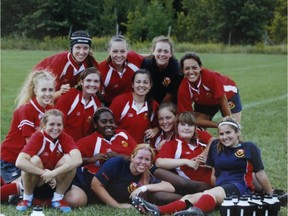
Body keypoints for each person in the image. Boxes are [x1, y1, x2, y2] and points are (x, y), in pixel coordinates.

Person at [132, 117, 273, 215]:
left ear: (237, 132)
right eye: (221, 134)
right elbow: (214, 174)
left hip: (240, 188)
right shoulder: (216, 147)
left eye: (228, 133)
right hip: (221, 188)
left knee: (209, 194)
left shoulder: (249, 147)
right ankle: (158, 211)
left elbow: (260, 174)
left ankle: (194, 213)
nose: (224, 137)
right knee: (191, 197)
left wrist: (270, 194)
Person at [0, 70, 55, 202]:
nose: (47, 94)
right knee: (26, 188)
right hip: (13, 160)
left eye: (51, 90)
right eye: (43, 90)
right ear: (35, 90)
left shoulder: (49, 110)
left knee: (37, 186)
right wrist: (48, 172)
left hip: (31, 158)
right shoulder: (26, 110)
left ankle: (8, 182)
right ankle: (10, 183)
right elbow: (31, 146)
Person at [15, 109, 82, 213]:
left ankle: (57, 199)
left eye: (59, 125)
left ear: (63, 126)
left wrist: (53, 173)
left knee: (68, 160)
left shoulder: (65, 137)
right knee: (34, 160)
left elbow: (78, 159)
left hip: (55, 183)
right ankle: (27, 198)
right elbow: (19, 162)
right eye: (51, 124)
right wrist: (44, 173)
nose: (55, 128)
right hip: (38, 182)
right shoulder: (38, 137)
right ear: (44, 125)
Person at [91, 144, 177, 208]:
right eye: (140, 158)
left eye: (147, 159)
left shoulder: (145, 175)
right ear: (132, 157)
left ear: (150, 163)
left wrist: (144, 188)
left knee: (161, 196)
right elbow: (95, 185)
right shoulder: (117, 163)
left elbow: (170, 187)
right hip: (90, 194)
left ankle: (186, 201)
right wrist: (117, 205)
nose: (143, 162)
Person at [177, 52, 242, 128]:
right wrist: (218, 125)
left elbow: (222, 98)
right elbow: (189, 118)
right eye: (187, 68)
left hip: (228, 95)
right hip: (205, 101)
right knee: (197, 128)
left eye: (194, 67)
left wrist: (229, 122)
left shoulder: (210, 77)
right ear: (182, 70)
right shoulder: (183, 89)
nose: (191, 72)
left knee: (233, 128)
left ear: (201, 67)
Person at [155, 112, 214, 190]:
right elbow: (159, 162)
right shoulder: (172, 144)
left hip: (215, 180)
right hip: (194, 186)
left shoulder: (202, 145)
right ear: (177, 127)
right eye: (183, 124)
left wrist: (209, 161)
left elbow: (214, 141)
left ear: (195, 128)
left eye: (190, 125)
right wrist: (186, 161)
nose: (186, 128)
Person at [33, 30, 98, 100]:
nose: (81, 52)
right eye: (78, 48)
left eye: (85, 48)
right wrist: (60, 92)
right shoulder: (59, 62)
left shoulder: (90, 62)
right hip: (43, 88)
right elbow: (47, 96)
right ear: (71, 48)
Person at [109, 69, 159, 144]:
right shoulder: (119, 101)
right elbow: (108, 125)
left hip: (141, 150)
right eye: (138, 82)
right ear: (132, 84)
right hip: (120, 148)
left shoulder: (154, 105)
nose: (141, 85)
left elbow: (160, 124)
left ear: (150, 85)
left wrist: (156, 129)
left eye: (145, 82)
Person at [55, 67, 102, 141]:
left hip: (81, 146)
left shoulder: (97, 104)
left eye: (96, 81)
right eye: (88, 80)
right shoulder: (69, 96)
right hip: (62, 143)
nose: (92, 84)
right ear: (81, 82)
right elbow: (55, 122)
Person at [98, 35, 144, 106]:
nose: (119, 55)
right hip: (110, 104)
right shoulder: (102, 69)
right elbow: (97, 94)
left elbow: (149, 58)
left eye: (122, 51)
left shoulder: (133, 59)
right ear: (109, 51)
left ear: (127, 51)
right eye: (115, 51)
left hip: (132, 102)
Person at [141, 35, 183, 104]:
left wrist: (158, 109)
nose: (162, 54)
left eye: (166, 51)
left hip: (168, 102)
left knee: (163, 112)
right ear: (153, 52)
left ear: (171, 54)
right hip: (149, 98)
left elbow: (170, 94)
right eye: (159, 51)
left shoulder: (176, 69)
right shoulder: (146, 64)